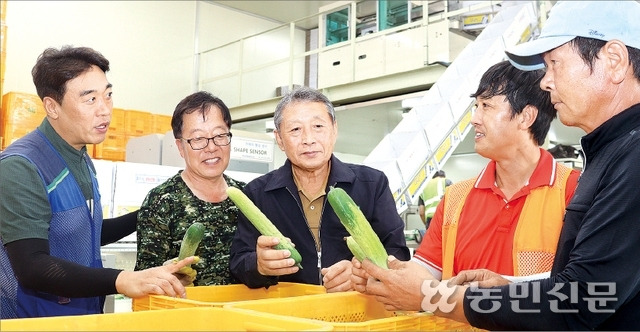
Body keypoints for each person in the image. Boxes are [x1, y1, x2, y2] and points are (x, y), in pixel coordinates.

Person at [357, 1, 640, 330]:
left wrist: (430, 297)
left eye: (554, 64)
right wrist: (513, 288)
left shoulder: (629, 158)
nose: (546, 83)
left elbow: (579, 301)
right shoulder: (612, 152)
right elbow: (594, 293)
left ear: (615, 61)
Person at [0, 46, 195, 319]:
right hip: (32, 320)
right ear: (52, 106)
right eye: (90, 99)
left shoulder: (80, 157)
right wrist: (123, 279)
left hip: (81, 316)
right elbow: (32, 266)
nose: (105, 110)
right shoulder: (21, 167)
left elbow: (85, 234)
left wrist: (150, 211)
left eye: (108, 95)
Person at [354, 59, 579, 288]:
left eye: (486, 106)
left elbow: (585, 285)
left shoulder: (574, 193)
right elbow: (424, 274)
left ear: (526, 117)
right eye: (476, 107)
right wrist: (378, 272)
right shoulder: (454, 199)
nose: (474, 119)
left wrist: (508, 289)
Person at [229, 86, 410, 292]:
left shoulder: (372, 183)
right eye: (295, 129)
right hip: (288, 316)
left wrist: (361, 271)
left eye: (318, 126)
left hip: (357, 314)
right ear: (279, 139)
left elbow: (398, 254)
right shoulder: (257, 193)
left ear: (334, 130)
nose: (308, 139)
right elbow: (238, 263)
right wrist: (258, 265)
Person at [134, 91, 245, 286]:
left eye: (219, 135)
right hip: (186, 314)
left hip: (243, 313)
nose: (211, 147)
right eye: (198, 139)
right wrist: (169, 278)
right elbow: (144, 278)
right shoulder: (162, 200)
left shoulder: (248, 195)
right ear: (180, 147)